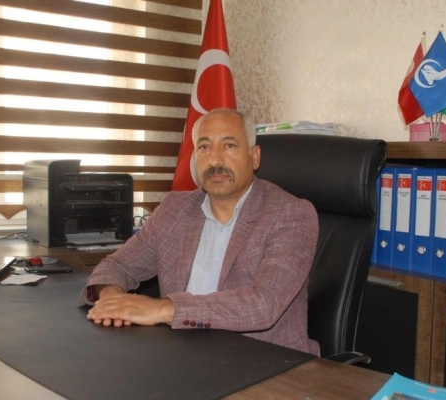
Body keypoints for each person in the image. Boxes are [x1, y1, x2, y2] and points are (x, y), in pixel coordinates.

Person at [78, 108, 319, 355]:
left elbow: (263, 305)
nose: (214, 161)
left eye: (229, 146)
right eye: (204, 147)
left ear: (254, 157)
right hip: (183, 356)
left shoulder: (291, 215)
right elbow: (117, 266)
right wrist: (112, 298)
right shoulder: (175, 210)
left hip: (266, 362)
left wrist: (162, 309)